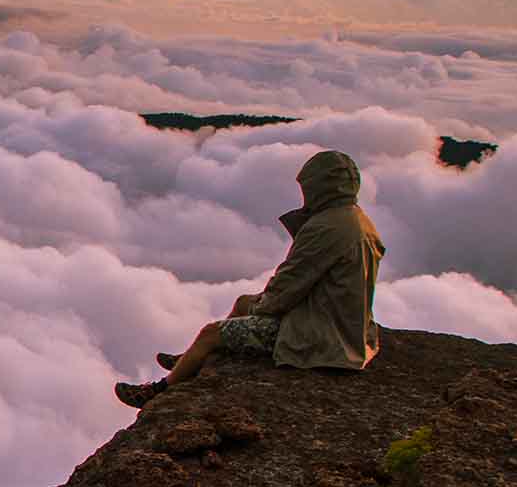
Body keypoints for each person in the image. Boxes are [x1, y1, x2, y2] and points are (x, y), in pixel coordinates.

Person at [116, 149, 385, 408]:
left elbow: (290, 284)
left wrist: (263, 306)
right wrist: (258, 304)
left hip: (323, 336)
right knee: (244, 301)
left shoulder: (325, 227)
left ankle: (159, 390)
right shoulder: (357, 220)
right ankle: (192, 360)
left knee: (211, 334)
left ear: (320, 186)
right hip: (343, 323)